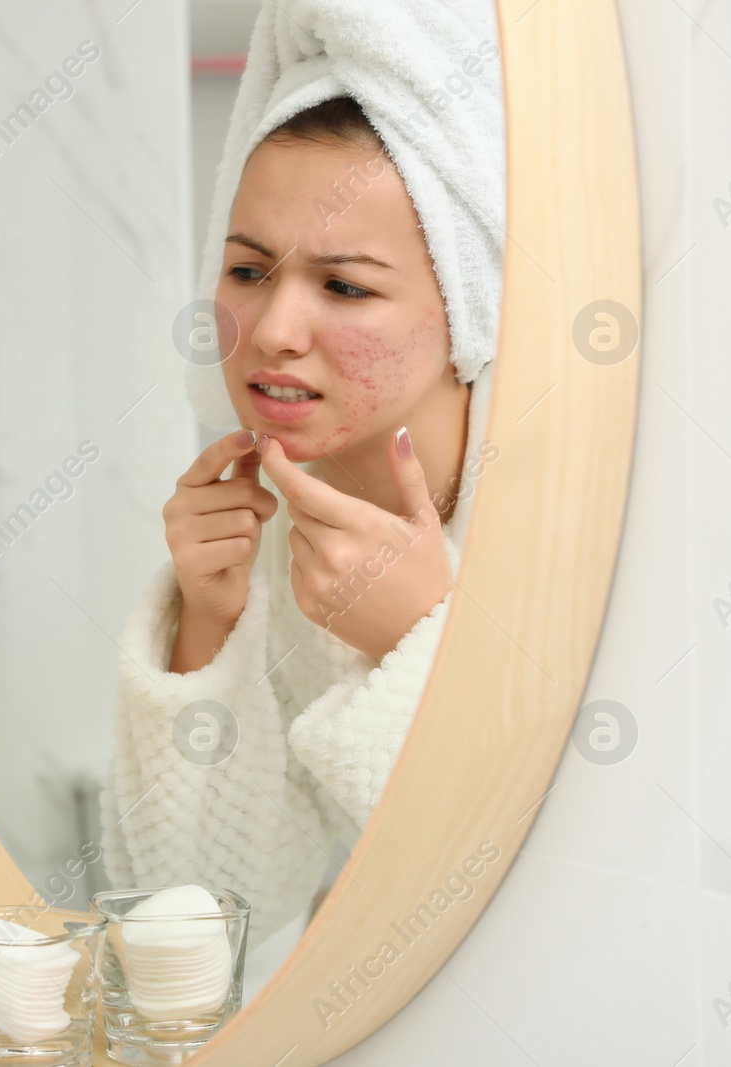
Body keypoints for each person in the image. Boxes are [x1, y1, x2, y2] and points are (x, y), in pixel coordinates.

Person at [100, 96, 497, 945]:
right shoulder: (275, 539)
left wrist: (421, 635)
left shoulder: (559, 507)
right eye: (248, 271)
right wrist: (208, 627)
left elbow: (560, 881)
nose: (272, 332)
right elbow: (202, 914)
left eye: (345, 285)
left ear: (469, 298)